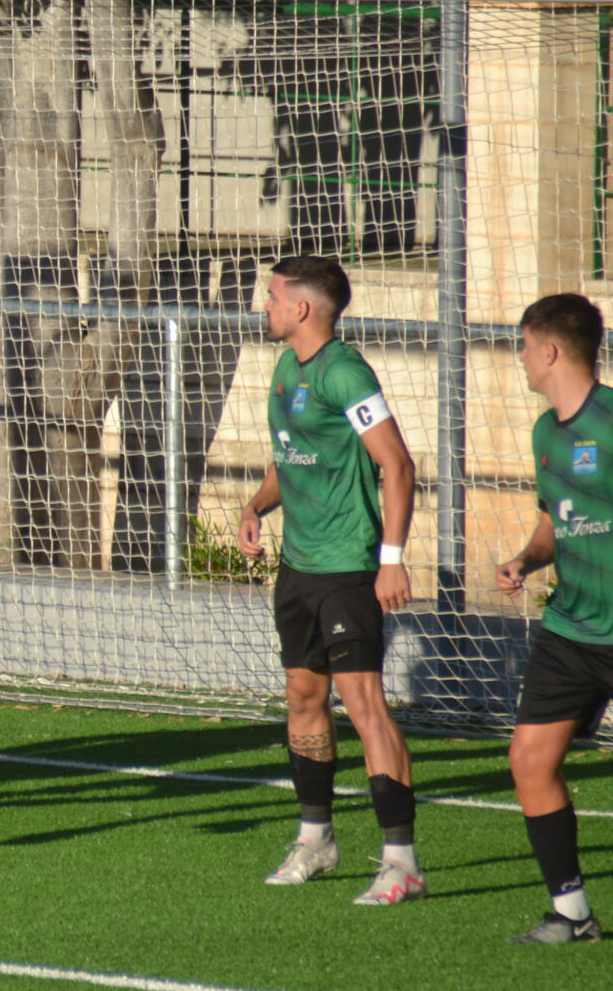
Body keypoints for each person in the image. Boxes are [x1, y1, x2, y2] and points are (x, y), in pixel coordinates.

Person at [237, 255, 422, 905]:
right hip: (298, 569)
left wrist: (392, 556)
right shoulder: (287, 367)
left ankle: (401, 859)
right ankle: (316, 837)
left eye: (273, 297)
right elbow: (290, 454)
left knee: (365, 704)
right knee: (302, 700)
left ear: (303, 308)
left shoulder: (346, 372)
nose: (266, 306)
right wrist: (256, 505)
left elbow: (396, 464)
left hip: (348, 567)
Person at [495, 292, 612, 944]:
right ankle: (571, 912)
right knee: (529, 758)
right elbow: (554, 520)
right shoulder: (545, 432)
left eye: (523, 344)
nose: (520, 358)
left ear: (550, 349)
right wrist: (526, 558)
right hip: (570, 628)